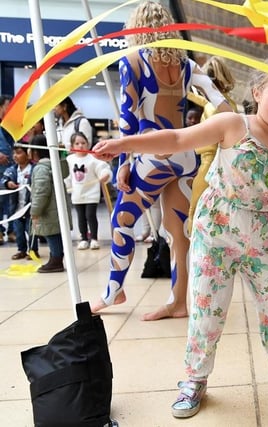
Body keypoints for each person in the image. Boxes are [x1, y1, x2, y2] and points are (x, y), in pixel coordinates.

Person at [93, 56, 268, 418]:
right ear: (258, 92)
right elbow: (178, 138)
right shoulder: (231, 125)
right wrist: (126, 145)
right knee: (207, 308)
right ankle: (195, 378)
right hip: (216, 231)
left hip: (262, 235)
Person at [90, 1, 232, 321]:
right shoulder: (185, 65)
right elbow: (218, 98)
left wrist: (123, 161)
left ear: (136, 28)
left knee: (123, 222)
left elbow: (129, 118)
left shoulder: (132, 61)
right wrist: (237, 128)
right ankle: (178, 302)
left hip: (151, 155)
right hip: (184, 155)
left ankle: (115, 289)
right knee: (178, 232)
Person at [186, 55, 238, 234]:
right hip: (224, 165)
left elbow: (208, 110)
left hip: (209, 164)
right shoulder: (227, 103)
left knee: (195, 212)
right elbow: (205, 102)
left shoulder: (213, 107)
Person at [29, 135, 71, 273]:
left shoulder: (41, 168)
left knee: (51, 234)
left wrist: (35, 211)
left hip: (48, 210)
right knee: (57, 233)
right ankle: (56, 258)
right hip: (58, 209)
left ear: (35, 151)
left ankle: (56, 260)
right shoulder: (55, 164)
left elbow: (41, 192)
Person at [64, 132, 113, 250]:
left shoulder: (93, 158)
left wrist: (105, 175)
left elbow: (103, 168)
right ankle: (83, 239)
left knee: (90, 215)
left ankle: (94, 238)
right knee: (81, 217)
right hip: (77, 194)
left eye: (83, 143)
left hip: (92, 193)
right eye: (77, 143)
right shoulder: (69, 159)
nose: (80, 146)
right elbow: (68, 177)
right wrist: (65, 186)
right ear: (72, 146)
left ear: (88, 144)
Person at [0, 146, 38, 260]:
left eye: (19, 153)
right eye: (14, 153)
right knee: (18, 231)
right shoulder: (11, 170)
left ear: (28, 154)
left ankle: (33, 250)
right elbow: (3, 180)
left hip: (29, 207)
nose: (15, 156)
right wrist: (8, 183)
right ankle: (21, 250)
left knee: (30, 230)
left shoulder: (34, 169)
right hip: (16, 208)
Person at [0, 95, 16, 245]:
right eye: (8, 106)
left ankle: (12, 231)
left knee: (12, 201)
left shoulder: (9, 125)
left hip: (11, 168)